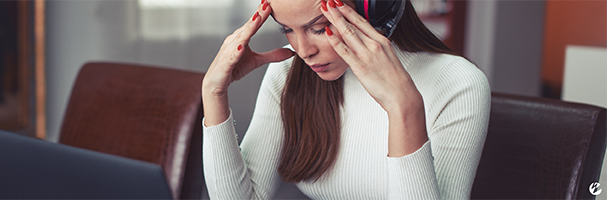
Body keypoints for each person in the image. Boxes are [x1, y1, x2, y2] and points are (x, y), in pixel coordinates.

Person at [201, 0, 490, 199]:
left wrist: (404, 107)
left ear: (375, 8)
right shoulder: (289, 71)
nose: (303, 50)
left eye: (319, 27)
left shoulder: (458, 83)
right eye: (287, 29)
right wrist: (213, 94)